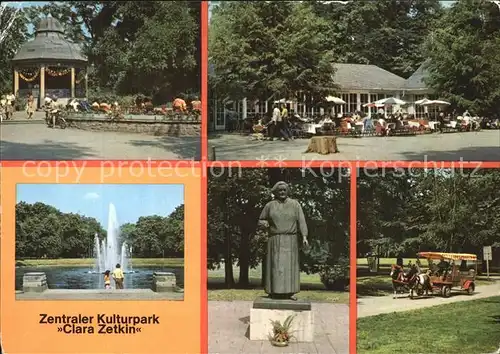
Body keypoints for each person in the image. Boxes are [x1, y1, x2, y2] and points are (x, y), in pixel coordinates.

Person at [258, 181, 309, 301]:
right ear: (276, 192)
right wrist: (264, 223)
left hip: (291, 240)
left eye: (284, 190)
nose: (282, 192)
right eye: (279, 190)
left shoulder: (295, 205)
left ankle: (289, 293)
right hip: (274, 239)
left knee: (289, 267)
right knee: (275, 266)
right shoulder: (270, 205)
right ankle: (273, 292)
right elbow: (261, 220)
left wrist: (304, 236)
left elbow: (301, 221)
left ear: (288, 191)